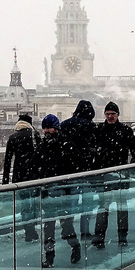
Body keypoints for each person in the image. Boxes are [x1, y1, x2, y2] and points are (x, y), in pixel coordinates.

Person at [92, 101, 135, 248]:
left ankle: (114, 238)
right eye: (108, 114)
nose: (110, 116)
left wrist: (130, 169)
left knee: (109, 208)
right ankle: (106, 238)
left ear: (117, 114)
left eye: (112, 114)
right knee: (112, 208)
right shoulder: (122, 130)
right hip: (110, 174)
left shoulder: (104, 130)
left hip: (112, 174)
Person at [34, 114, 81, 267]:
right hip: (48, 192)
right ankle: (49, 256)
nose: (47, 131)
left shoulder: (66, 145)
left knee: (66, 224)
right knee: (48, 226)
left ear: (57, 128)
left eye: (50, 128)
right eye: (45, 128)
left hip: (63, 191)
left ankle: (75, 246)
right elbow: (35, 167)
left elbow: (77, 164)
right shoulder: (42, 146)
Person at [58, 100, 97, 242]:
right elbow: (95, 147)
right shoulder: (90, 126)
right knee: (87, 204)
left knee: (70, 203)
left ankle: (68, 230)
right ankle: (85, 232)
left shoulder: (64, 125)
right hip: (87, 170)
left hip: (68, 171)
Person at [2, 112, 40, 241]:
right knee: (34, 203)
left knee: (24, 205)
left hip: (19, 176)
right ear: (30, 124)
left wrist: (5, 182)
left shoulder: (13, 137)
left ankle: (29, 231)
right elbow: (42, 155)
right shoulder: (35, 135)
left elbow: (7, 161)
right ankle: (33, 226)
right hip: (34, 175)